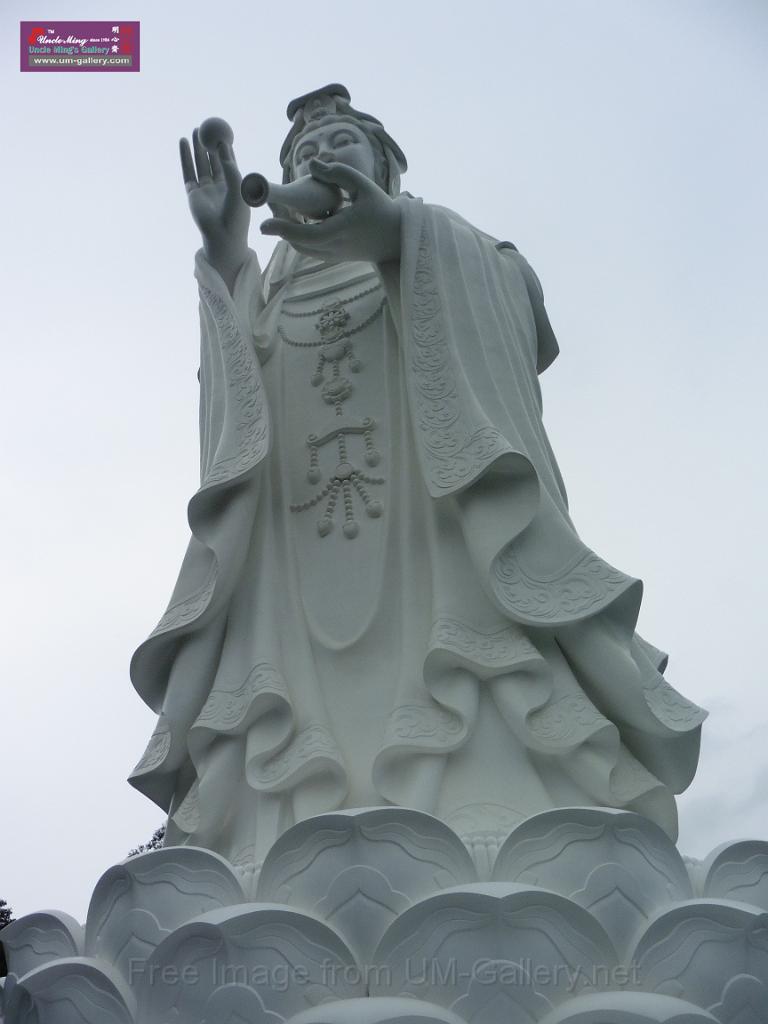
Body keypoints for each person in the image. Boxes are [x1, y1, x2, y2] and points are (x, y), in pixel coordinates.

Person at [129, 85, 706, 883]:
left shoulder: (444, 246)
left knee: (470, 664)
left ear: (388, 168)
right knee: (284, 709)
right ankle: (281, 836)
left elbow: (522, 307)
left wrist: (402, 239)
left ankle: (499, 812)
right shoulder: (271, 294)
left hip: (436, 534)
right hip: (296, 561)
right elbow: (232, 426)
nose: (318, 158)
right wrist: (229, 258)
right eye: (302, 153)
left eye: (340, 145)